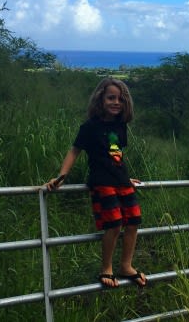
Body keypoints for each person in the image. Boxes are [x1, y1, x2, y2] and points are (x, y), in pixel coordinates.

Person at [45, 77, 147, 289]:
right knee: (114, 223)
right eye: (111, 98)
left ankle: (126, 265)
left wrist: (126, 177)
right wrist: (61, 176)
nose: (116, 102)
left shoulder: (121, 126)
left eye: (120, 99)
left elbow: (116, 154)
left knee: (134, 220)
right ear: (100, 99)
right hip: (101, 181)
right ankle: (106, 268)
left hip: (121, 179)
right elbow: (74, 151)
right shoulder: (90, 127)